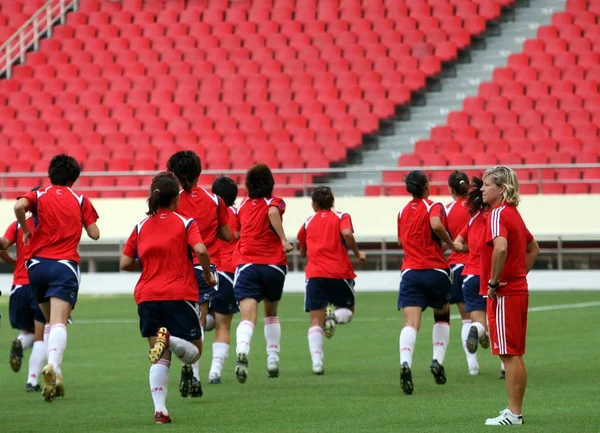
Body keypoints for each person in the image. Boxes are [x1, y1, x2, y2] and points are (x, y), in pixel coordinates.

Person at [120, 172, 216, 424]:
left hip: (147, 296)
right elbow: (201, 249)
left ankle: (160, 411)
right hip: (179, 294)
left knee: (159, 357)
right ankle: (171, 339)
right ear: (176, 198)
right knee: (195, 352)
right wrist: (207, 273)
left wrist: (149, 265)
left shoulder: (141, 226)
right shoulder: (186, 222)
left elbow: (125, 262)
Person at [13, 154, 100, 403]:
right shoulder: (80, 199)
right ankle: (52, 365)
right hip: (64, 265)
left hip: (37, 266)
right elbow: (94, 234)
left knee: (48, 321)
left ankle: (57, 373)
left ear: (50, 174)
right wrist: (83, 222)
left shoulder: (38, 195)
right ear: (73, 179)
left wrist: (27, 230)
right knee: (59, 321)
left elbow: (18, 207)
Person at [167, 150, 231, 397]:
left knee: (178, 321)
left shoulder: (173, 201)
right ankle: (194, 375)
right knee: (199, 322)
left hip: (178, 268)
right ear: (199, 172)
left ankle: (182, 361)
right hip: (205, 268)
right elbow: (226, 234)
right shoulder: (215, 201)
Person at [479, 166, 539, 426]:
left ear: (501, 189)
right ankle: (514, 411)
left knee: (509, 353)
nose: (481, 189)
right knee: (514, 353)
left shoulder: (497, 214)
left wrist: (494, 281)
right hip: (517, 289)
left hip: (504, 292)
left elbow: (500, 247)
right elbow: (533, 248)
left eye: (486, 184)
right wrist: (518, 274)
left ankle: (514, 414)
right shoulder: (514, 213)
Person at [397, 170, 459, 395]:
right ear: (425, 186)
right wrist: (450, 244)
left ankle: (405, 362)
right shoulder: (435, 206)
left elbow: (400, 241)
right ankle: (437, 361)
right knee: (441, 315)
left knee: (410, 323)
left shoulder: (402, 211)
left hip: (410, 271)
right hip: (435, 271)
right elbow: (435, 224)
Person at [233, 164, 293, 383]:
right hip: (274, 266)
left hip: (248, 265)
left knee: (248, 317)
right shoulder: (274, 202)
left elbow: (237, 233)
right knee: (271, 313)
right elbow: (272, 211)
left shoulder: (243, 205)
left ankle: (242, 352)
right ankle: (272, 359)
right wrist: (283, 239)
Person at [297, 186, 365, 375]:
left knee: (314, 321)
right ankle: (333, 317)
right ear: (332, 201)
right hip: (339, 273)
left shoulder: (308, 221)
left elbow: (302, 249)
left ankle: (317, 363)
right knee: (348, 311)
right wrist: (358, 253)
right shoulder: (342, 216)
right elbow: (347, 233)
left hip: (315, 274)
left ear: (314, 204)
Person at [0, 188, 47, 392]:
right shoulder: (48, 225)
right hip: (38, 285)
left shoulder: (18, 226)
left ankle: (19, 342)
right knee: (41, 335)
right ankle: (32, 381)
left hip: (18, 286)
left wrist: (14, 261)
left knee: (26, 331)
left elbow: (2, 245)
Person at [452, 177, 491, 376]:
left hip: (469, 275)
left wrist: (471, 249)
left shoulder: (473, 218)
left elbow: (457, 244)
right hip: (491, 276)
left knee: (474, 322)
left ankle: (473, 366)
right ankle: (504, 369)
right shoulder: (496, 217)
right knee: (497, 322)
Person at [445, 171, 478, 375]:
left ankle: (472, 365)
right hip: (481, 265)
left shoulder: (447, 210)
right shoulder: (480, 206)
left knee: (466, 318)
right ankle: (503, 366)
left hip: (459, 267)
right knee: (490, 316)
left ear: (450, 189)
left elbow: (445, 240)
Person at [208, 176, 240, 384]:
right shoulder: (237, 213)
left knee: (201, 319)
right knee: (223, 325)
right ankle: (215, 371)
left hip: (203, 270)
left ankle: (190, 369)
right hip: (228, 272)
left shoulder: (206, 211)